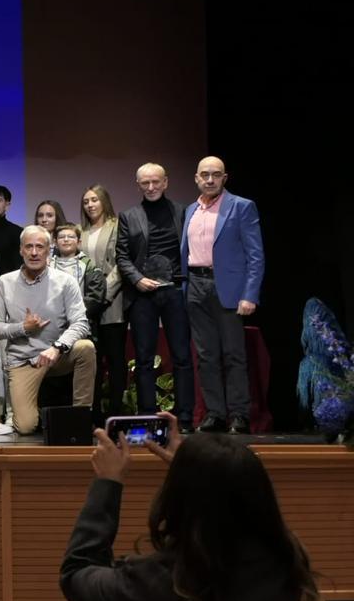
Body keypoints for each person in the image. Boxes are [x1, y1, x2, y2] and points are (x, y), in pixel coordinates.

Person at [61, 412, 318, 601]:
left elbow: (77, 573)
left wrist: (108, 482)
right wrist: (193, 469)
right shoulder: (285, 563)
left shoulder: (158, 583)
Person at [182, 156, 265, 434]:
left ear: (224, 178)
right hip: (196, 285)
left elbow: (255, 255)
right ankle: (215, 414)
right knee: (206, 356)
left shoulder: (241, 207)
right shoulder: (191, 210)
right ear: (196, 178)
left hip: (226, 287)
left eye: (215, 174)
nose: (210, 179)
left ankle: (239, 415)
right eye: (204, 174)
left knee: (233, 354)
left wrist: (249, 294)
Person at [0, 226, 95, 435]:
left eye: (40, 247)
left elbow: (81, 323)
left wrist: (57, 347)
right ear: (21, 250)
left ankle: (80, 417)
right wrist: (23, 328)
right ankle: (37, 414)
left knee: (86, 348)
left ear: (49, 250)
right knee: (25, 427)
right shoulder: (4, 282)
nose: (34, 252)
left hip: (56, 355)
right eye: (29, 247)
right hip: (23, 360)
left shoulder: (65, 281)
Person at [116, 163, 195, 430]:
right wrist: (138, 279)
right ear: (138, 185)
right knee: (144, 359)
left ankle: (185, 418)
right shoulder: (128, 216)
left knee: (182, 356)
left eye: (155, 182)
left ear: (165, 182)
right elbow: (122, 256)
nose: (151, 187)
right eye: (145, 183)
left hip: (175, 291)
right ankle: (148, 416)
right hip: (143, 294)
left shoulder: (183, 212)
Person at [80, 184, 126, 419]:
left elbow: (121, 264)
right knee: (93, 362)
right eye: (86, 201)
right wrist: (88, 301)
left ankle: (116, 412)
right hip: (87, 307)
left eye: (94, 200)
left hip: (111, 302)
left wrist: (102, 295)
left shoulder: (117, 226)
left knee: (115, 359)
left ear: (104, 201)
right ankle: (94, 413)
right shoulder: (81, 232)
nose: (90, 205)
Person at [51, 224, 107, 324]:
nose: (66, 240)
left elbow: (94, 298)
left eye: (71, 237)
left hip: (80, 320)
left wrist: (73, 313)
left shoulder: (89, 266)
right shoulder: (48, 266)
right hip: (52, 320)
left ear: (79, 242)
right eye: (62, 237)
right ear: (55, 242)